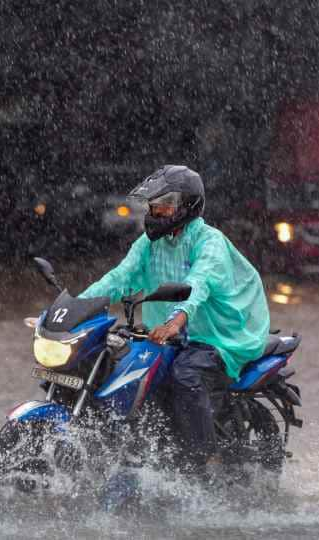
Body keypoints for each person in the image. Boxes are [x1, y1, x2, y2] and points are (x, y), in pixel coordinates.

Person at [79, 165, 270, 476]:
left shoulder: (210, 241)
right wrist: (75, 308)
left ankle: (206, 461)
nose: (156, 212)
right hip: (167, 334)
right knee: (120, 365)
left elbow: (199, 283)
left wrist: (175, 321)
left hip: (219, 336)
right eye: (153, 205)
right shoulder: (149, 243)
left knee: (185, 373)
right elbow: (119, 278)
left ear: (187, 206)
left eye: (165, 205)